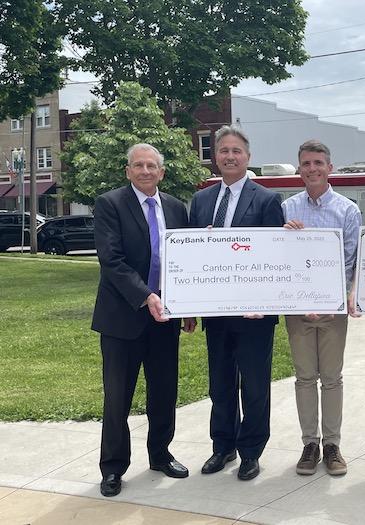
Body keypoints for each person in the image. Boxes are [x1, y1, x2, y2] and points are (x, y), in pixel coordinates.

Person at [92, 143, 192, 497]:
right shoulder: (110, 204)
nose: (146, 171)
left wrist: (188, 305)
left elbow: (187, 259)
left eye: (152, 166)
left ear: (162, 172)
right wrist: (146, 296)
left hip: (164, 319)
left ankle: (161, 454)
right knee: (118, 396)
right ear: (128, 170)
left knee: (164, 391)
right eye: (139, 165)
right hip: (123, 318)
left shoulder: (177, 208)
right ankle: (113, 467)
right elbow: (112, 260)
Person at [189, 126, 284, 481]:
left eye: (236, 151)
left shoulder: (266, 200)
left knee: (255, 385)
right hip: (216, 311)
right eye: (223, 150)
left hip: (254, 313)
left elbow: (276, 257)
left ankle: (251, 451)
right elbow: (191, 260)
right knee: (221, 384)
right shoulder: (201, 201)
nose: (229, 156)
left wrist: (268, 302)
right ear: (216, 156)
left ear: (248, 157)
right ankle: (223, 446)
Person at [282, 140, 361, 476]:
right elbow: (278, 259)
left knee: (331, 378)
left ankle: (332, 444)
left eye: (318, 163)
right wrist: (285, 236)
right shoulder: (287, 209)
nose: (312, 169)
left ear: (330, 167)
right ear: (299, 168)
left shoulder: (347, 210)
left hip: (333, 309)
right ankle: (309, 444)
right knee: (303, 378)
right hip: (298, 309)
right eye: (305, 164)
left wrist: (342, 297)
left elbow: (355, 260)